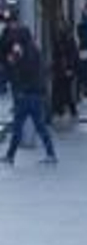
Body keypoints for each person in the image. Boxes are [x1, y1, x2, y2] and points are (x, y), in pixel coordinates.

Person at [3, 26, 58, 164]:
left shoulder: (25, 52)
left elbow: (23, 72)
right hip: (36, 94)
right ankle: (50, 154)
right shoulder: (34, 50)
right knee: (40, 127)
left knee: (18, 127)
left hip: (27, 95)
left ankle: (10, 156)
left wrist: (14, 61)